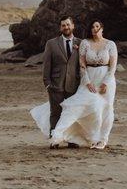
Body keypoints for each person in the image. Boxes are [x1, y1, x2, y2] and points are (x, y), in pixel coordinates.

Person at [30, 19, 118, 150]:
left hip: (101, 80)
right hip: (80, 80)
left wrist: (106, 82)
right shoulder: (81, 43)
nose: (95, 29)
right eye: (92, 27)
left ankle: (98, 139)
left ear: (102, 28)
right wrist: (87, 82)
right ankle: (56, 137)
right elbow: (81, 65)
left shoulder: (103, 44)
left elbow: (113, 65)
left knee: (105, 109)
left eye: (97, 26)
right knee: (68, 109)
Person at [32, 16, 82, 149]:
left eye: (68, 24)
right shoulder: (52, 43)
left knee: (72, 113)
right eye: (63, 25)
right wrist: (47, 83)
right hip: (56, 84)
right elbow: (46, 65)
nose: (66, 27)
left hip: (74, 85)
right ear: (60, 28)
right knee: (56, 112)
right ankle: (55, 140)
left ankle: (72, 139)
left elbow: (82, 66)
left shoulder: (81, 43)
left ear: (73, 26)